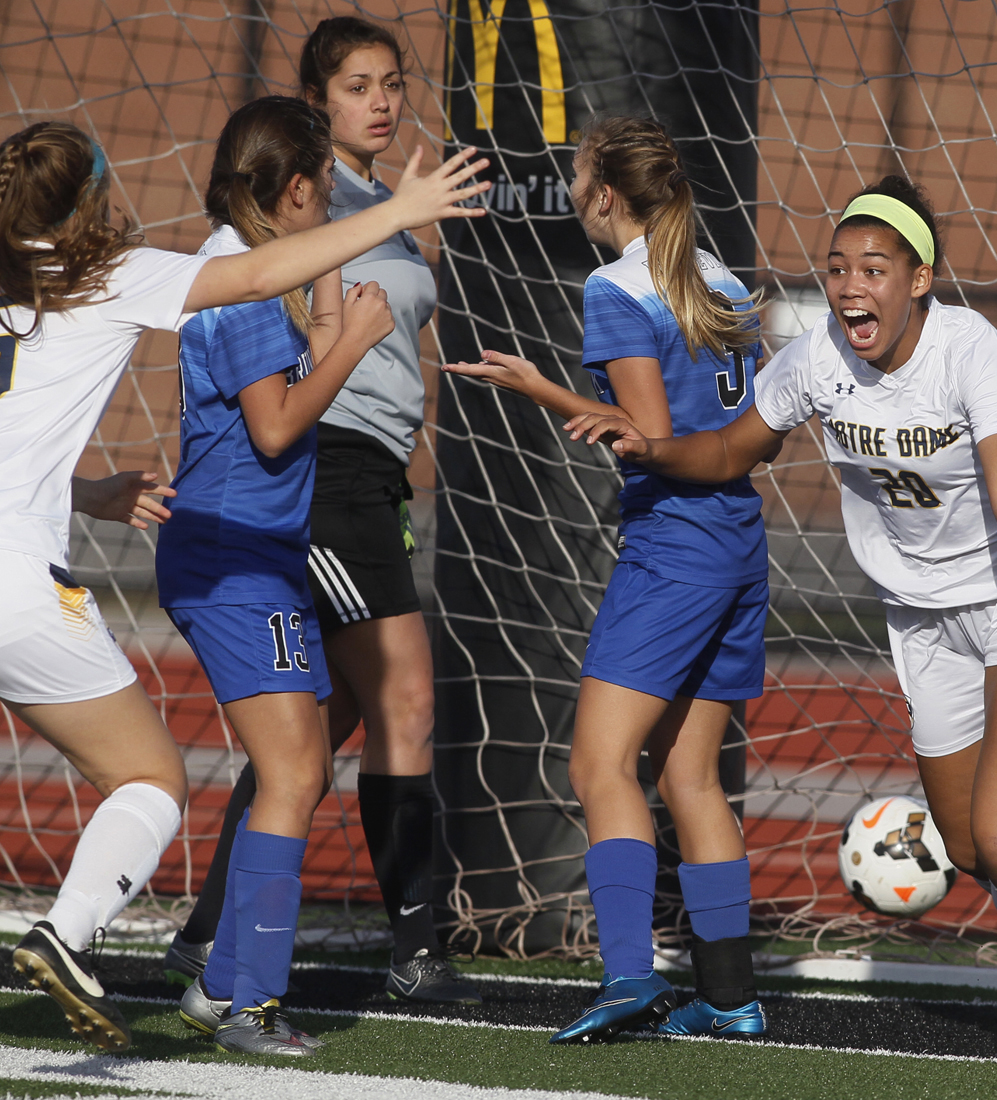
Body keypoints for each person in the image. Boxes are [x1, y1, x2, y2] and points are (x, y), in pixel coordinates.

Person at [0, 117, 488, 1054]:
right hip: (217, 559)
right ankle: (178, 975)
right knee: (184, 775)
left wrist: (95, 492)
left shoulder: (23, 285)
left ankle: (223, 981)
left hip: (247, 552)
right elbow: (265, 365)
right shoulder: (135, 275)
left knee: (299, 758)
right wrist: (404, 209)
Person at [567, 174, 997, 957]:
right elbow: (735, 447)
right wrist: (652, 446)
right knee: (968, 848)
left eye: (873, 269)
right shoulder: (817, 357)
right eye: (837, 269)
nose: (849, 287)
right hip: (919, 621)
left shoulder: (967, 345)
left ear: (920, 279)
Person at [164, 15, 481, 1007]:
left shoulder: (377, 202)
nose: (382, 100)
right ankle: (413, 950)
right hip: (322, 476)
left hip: (372, 476)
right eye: (357, 85)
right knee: (403, 700)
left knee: (319, 724)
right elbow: (279, 397)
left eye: (393, 81)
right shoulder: (305, 213)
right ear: (313, 104)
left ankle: (210, 939)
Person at [443, 115, 770, 1043]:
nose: (577, 194)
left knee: (597, 763)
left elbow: (651, 436)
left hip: (674, 544)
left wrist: (540, 388)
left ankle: (628, 976)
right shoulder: (724, 278)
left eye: (580, 178)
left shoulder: (615, 286)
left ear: (605, 196)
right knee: (691, 777)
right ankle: (732, 998)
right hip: (741, 536)